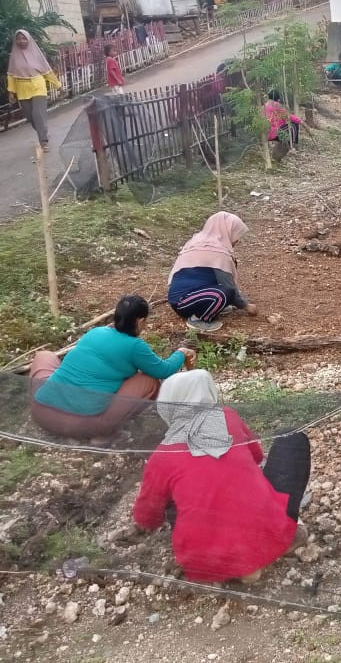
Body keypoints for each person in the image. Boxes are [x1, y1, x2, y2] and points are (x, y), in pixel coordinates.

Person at [132, 370, 312, 583]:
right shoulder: (227, 416)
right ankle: (265, 549)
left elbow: (147, 518)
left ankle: (230, 562)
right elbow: (256, 455)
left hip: (200, 563)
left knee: (173, 492)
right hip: (262, 540)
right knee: (292, 438)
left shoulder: (162, 455)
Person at [29, 295, 194, 439]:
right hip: (83, 424)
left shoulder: (95, 332)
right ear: (140, 321)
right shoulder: (135, 345)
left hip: (42, 410)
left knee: (44, 356)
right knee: (149, 380)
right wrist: (181, 353)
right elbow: (163, 370)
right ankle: (103, 434)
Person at [168, 211, 258, 332]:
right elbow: (228, 285)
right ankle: (197, 318)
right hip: (183, 301)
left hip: (183, 298)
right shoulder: (218, 253)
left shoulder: (197, 243)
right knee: (225, 292)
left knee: (226, 292)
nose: (237, 240)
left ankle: (211, 305)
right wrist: (246, 306)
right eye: (236, 234)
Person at [6, 29, 62, 152]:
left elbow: (47, 71)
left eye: (24, 38)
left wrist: (57, 85)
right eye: (19, 38)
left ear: (29, 39)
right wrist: (11, 92)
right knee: (30, 118)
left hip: (38, 86)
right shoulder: (14, 56)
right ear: (16, 40)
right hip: (22, 90)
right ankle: (43, 132)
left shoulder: (37, 53)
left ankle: (43, 141)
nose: (21, 41)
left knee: (38, 115)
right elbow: (11, 75)